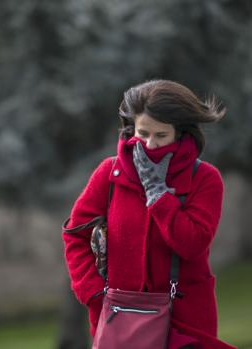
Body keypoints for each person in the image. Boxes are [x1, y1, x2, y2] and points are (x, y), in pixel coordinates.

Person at [62, 79, 237, 349]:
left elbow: (193, 243)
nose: (150, 145)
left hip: (184, 318)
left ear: (180, 133)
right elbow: (76, 236)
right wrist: (95, 293)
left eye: (161, 135)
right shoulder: (108, 174)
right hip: (119, 318)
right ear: (132, 128)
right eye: (143, 134)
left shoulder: (205, 178)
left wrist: (158, 194)